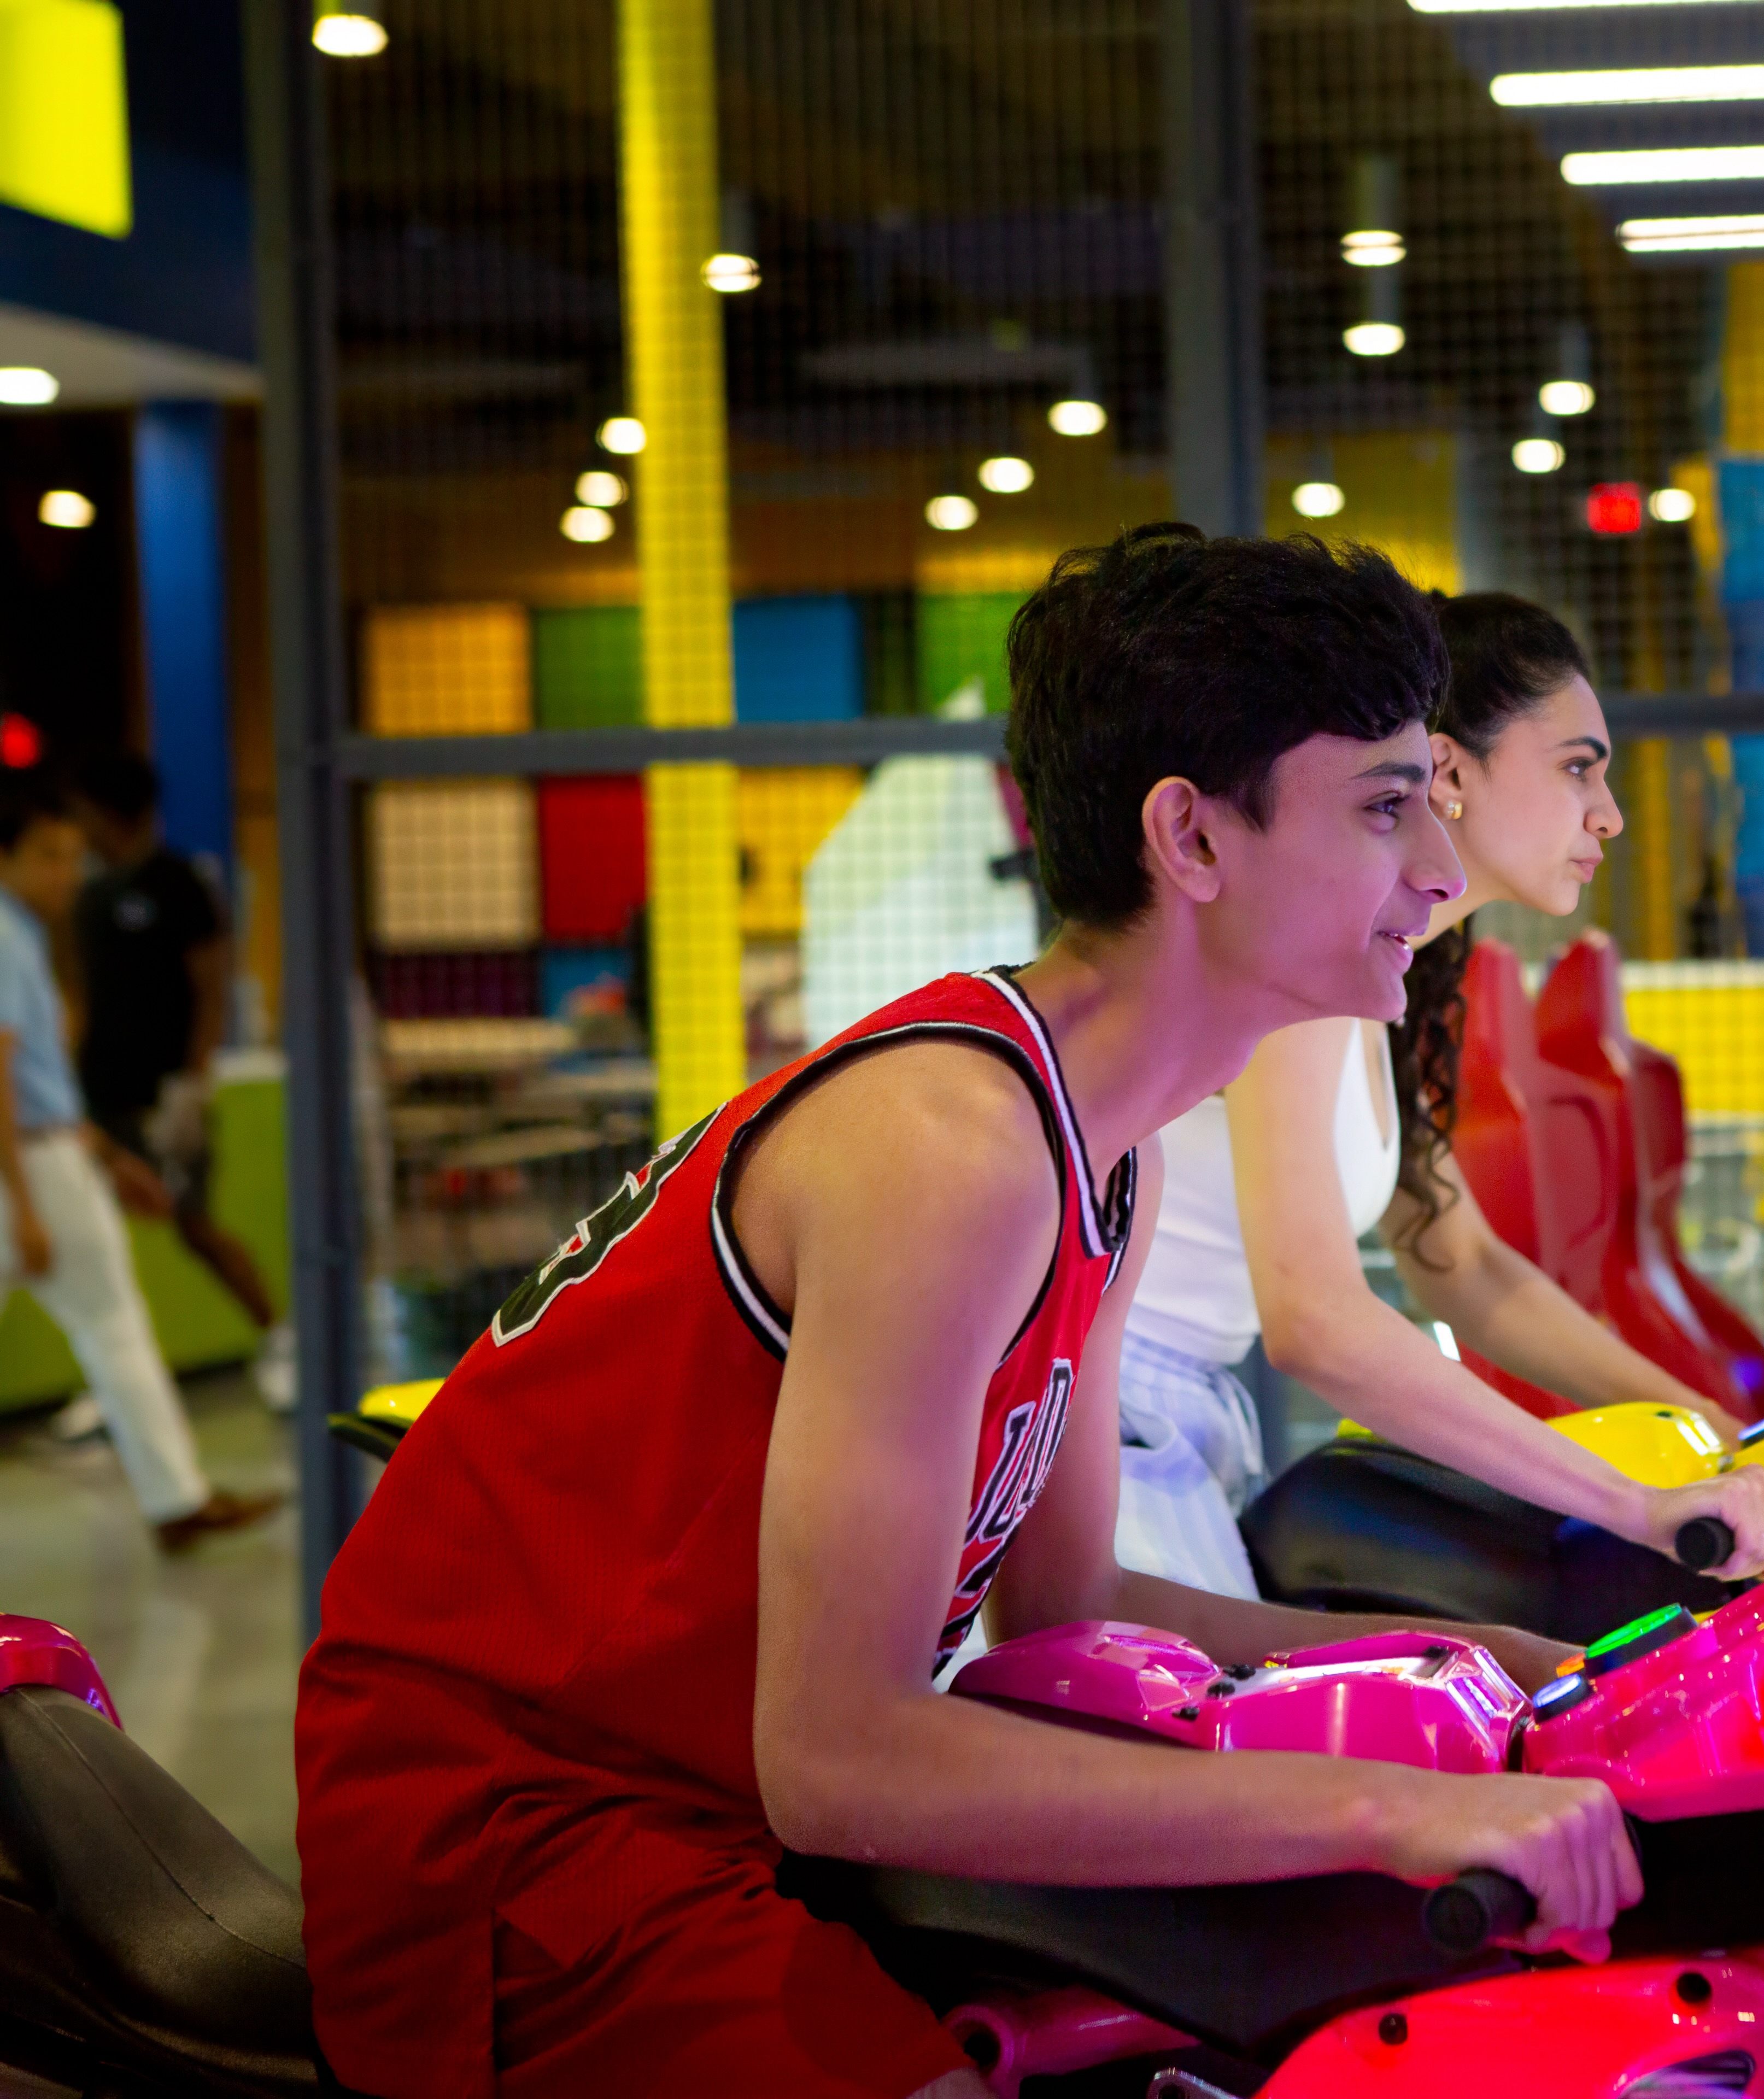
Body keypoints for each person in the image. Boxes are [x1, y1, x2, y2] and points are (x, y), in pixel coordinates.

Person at [294, 528, 1660, 2099]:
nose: (1433, 862)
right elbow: (841, 1759)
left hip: (700, 1794)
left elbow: (1072, 1611)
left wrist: (1483, 1663)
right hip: (509, 1820)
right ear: (1189, 838)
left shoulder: (1113, 1147)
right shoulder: (951, 1154)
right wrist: (1390, 1808)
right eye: (1382, 805)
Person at [1117, 591, 1764, 1600]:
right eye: (1578, 768)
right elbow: (1314, 1323)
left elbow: (1462, 1263)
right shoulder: (1308, 950)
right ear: (1449, 772)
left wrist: (1718, 1430)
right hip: (1102, 1419)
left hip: (1180, 1421)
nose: (1608, 813)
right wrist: (1635, 1503)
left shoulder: (1398, 968)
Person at [0, 774, 283, 1550]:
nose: (68, 874)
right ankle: (178, 1498)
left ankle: (178, 1499)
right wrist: (24, 1205)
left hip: (52, 1154)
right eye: (49, 856)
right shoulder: (6, 937)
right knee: (114, 1325)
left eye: (73, 856)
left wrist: (104, 1156)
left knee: (114, 1323)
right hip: (27, 1166)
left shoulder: (26, 935)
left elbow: (39, 1085)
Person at [67, 751, 291, 1410]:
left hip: (167, 1094)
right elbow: (80, 994)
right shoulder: (89, 894)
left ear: (111, 812)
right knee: (93, 1241)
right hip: (102, 1096)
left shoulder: (178, 883)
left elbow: (212, 989)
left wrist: (194, 1083)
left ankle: (280, 1339)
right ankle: (111, 1383)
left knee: (195, 1225)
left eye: (84, 813)